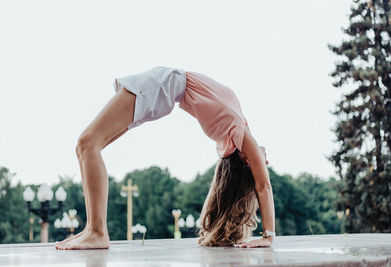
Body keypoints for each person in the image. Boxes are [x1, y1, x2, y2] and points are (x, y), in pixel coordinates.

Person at [55, 66, 275, 250]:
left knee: (88, 143)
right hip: (164, 88)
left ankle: (97, 231)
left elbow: (263, 185)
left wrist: (269, 236)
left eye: (261, 161)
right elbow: (258, 179)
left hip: (162, 87)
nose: (265, 158)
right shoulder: (231, 133)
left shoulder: (237, 132)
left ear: (248, 161)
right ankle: (91, 228)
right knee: (86, 146)